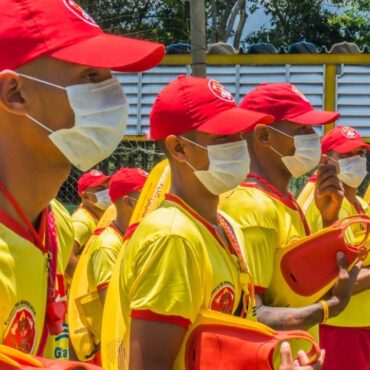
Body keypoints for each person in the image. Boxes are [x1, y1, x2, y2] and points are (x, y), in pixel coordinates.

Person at [115, 75, 325, 370]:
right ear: (178, 148)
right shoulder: (172, 236)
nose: (239, 146)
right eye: (222, 137)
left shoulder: (225, 226)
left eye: (239, 134)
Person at [0, 0, 164, 359]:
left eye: (109, 77)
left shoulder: (54, 222)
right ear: (16, 94)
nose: (114, 94)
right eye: (90, 77)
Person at [221, 83, 361, 339]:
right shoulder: (252, 206)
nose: (313, 138)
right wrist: (330, 308)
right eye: (302, 129)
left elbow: (299, 290)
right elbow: (251, 315)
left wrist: (329, 220)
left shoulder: (285, 202)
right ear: (264, 136)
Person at [299, 126, 370, 370]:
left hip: (359, 324)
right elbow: (330, 281)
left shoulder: (357, 201)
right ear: (327, 160)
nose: (358, 160)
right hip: (338, 326)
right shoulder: (322, 202)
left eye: (361, 153)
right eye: (348, 155)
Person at [88, 167, 147, 306]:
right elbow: (111, 304)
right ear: (129, 202)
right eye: (146, 195)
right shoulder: (107, 246)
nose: (153, 199)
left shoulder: (136, 235)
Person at [67, 170, 111, 279]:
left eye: (107, 187)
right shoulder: (81, 221)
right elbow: (66, 256)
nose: (107, 192)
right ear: (85, 196)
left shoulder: (101, 215)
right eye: (101, 189)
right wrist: (83, 283)